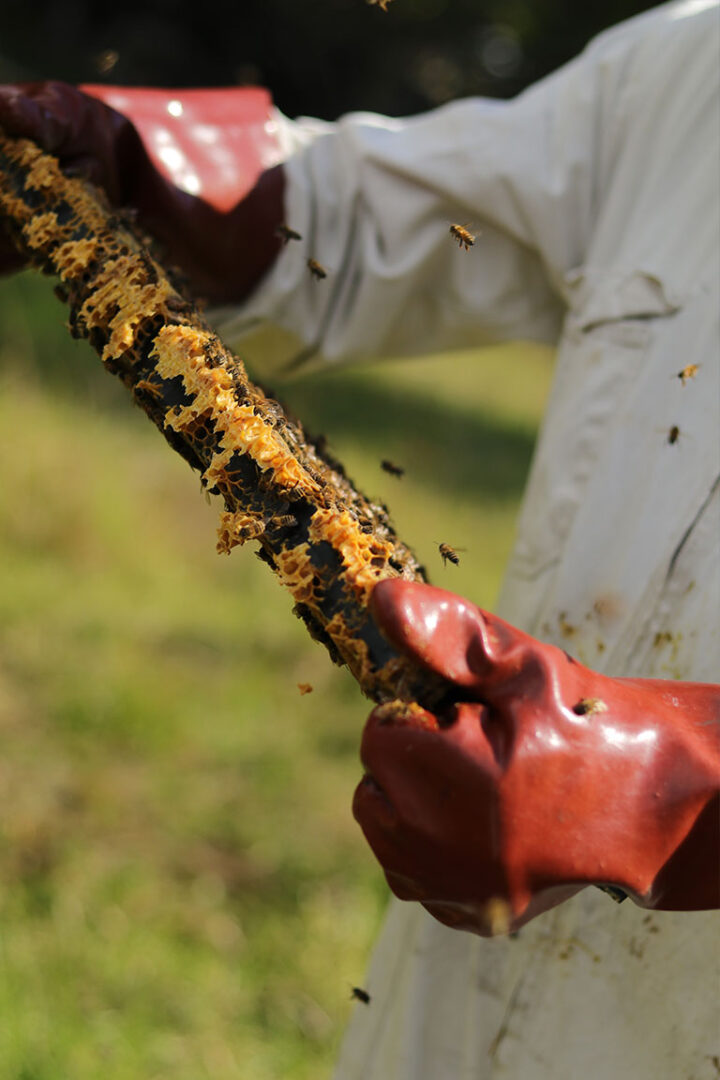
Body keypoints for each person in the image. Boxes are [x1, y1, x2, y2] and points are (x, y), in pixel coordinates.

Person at [0, 0, 718, 1076]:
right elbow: (367, 213)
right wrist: (134, 161)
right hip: (458, 1004)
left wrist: (673, 788)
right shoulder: (689, 69)